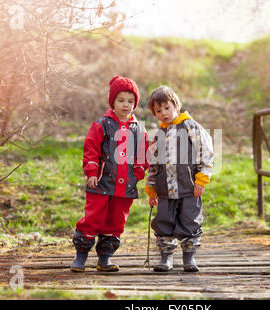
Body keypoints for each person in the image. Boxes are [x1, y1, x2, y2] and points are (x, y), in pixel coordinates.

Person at [70, 76, 148, 272]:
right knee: (93, 219)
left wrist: (138, 172)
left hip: (125, 187)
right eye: (121, 100)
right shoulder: (102, 125)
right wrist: (91, 172)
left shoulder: (139, 130)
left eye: (130, 101)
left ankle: (105, 258)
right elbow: (91, 149)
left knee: (116, 222)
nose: (126, 105)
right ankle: (81, 257)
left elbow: (142, 154)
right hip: (101, 182)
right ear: (112, 101)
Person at [145, 86, 213, 272]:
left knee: (190, 220)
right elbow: (153, 163)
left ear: (175, 105)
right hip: (165, 189)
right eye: (158, 111)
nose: (163, 113)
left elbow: (205, 152)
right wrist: (151, 188)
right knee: (164, 221)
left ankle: (189, 257)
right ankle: (166, 257)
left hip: (189, 187)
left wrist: (201, 179)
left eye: (167, 108)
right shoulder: (159, 134)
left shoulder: (190, 126)